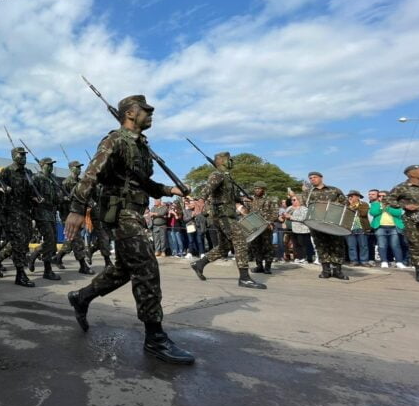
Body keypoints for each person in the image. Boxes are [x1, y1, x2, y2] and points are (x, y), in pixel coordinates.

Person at [64, 94, 194, 365]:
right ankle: (155, 337)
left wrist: (171, 190)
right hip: (120, 213)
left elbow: (145, 184)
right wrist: (77, 209)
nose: (151, 112)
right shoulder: (114, 140)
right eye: (146, 109)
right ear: (130, 113)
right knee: (146, 266)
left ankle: (81, 297)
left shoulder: (141, 147)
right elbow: (91, 174)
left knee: (125, 268)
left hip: (134, 211)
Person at [190, 152, 267, 289]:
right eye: (229, 160)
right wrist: (200, 200)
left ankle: (199, 264)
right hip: (223, 216)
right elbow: (207, 188)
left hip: (225, 215)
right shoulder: (217, 174)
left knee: (224, 247)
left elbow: (231, 196)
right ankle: (244, 278)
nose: (231, 162)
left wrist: (242, 199)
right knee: (240, 240)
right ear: (222, 161)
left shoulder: (226, 176)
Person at [0, 147, 38, 287]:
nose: (23, 157)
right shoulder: (7, 171)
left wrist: (34, 198)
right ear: (14, 156)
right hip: (12, 212)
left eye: (24, 155)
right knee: (19, 243)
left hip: (25, 212)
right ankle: (20, 274)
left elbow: (30, 191)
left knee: (25, 240)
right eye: (21, 155)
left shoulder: (28, 172)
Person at [386, 165, 419, 282]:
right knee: (416, 246)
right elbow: (388, 199)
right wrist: (405, 206)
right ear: (412, 174)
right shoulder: (401, 187)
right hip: (412, 221)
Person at [53, 161, 94, 275]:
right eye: (77, 167)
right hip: (69, 216)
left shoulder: (80, 182)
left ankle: (58, 257)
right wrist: (66, 199)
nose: (79, 169)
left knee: (71, 241)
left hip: (79, 215)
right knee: (77, 240)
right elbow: (59, 199)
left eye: (80, 167)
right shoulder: (66, 182)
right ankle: (83, 266)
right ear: (71, 169)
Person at [304, 171, 348, 280]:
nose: (312, 179)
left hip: (332, 223)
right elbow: (307, 206)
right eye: (310, 178)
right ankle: (326, 270)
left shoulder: (334, 190)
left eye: (315, 177)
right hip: (317, 223)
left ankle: (338, 271)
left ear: (321, 178)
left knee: (337, 246)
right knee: (321, 246)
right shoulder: (308, 192)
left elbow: (345, 203)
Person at [27, 157, 62, 280]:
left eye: (52, 165)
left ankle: (35, 253)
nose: (51, 167)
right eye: (48, 165)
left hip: (51, 213)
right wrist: (34, 199)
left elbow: (56, 198)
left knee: (52, 242)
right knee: (50, 239)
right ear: (42, 165)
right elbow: (29, 194)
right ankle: (47, 271)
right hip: (41, 213)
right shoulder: (37, 178)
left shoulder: (52, 179)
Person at [370, 190, 407, 269]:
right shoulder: (375, 204)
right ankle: (384, 261)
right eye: (380, 196)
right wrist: (381, 206)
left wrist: (387, 208)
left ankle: (399, 262)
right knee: (382, 245)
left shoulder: (394, 204)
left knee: (395, 245)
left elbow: (398, 213)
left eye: (384, 196)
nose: (382, 197)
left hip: (393, 227)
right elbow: (373, 213)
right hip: (380, 227)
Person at [247, 181, 278, 275]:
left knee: (268, 247)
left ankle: (267, 267)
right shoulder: (251, 200)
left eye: (259, 188)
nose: (257, 190)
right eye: (255, 188)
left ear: (264, 189)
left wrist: (270, 221)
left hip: (266, 227)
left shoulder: (271, 199)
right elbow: (248, 213)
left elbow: (275, 213)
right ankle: (259, 266)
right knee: (256, 247)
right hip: (255, 227)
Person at [345, 190, 370, 267]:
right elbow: (345, 215)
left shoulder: (364, 204)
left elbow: (363, 213)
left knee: (363, 246)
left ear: (358, 197)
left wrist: (353, 205)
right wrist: (350, 205)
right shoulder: (345, 205)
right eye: (349, 196)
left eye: (352, 196)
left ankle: (364, 261)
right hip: (349, 228)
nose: (350, 197)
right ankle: (354, 261)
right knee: (351, 246)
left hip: (361, 227)